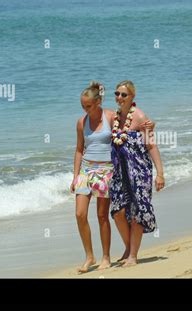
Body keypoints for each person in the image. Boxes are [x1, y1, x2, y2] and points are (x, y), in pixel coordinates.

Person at [110, 80, 165, 267]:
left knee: (136, 213)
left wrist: (160, 174)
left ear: (132, 96)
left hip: (139, 172)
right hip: (120, 173)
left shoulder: (140, 117)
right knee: (117, 211)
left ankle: (133, 256)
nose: (119, 98)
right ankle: (129, 247)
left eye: (124, 95)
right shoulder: (114, 118)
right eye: (117, 94)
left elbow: (151, 145)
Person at [70, 81, 115, 273]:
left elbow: (128, 131)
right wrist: (75, 176)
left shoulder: (111, 117)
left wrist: (149, 126)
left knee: (102, 215)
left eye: (88, 105)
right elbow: (79, 149)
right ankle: (89, 256)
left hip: (106, 170)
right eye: (82, 106)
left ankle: (106, 256)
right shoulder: (81, 122)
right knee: (80, 214)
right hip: (86, 170)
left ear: (98, 102)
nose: (85, 109)